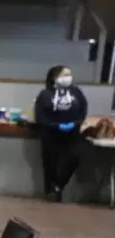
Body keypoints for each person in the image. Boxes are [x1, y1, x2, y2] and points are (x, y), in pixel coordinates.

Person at [35, 65, 88, 202]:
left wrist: (75, 123)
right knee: (51, 163)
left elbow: (83, 109)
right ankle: (51, 192)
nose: (68, 77)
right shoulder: (45, 94)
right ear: (55, 77)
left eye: (69, 74)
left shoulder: (76, 92)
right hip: (51, 134)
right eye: (64, 75)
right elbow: (40, 115)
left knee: (74, 157)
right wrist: (55, 125)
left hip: (72, 134)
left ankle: (58, 185)